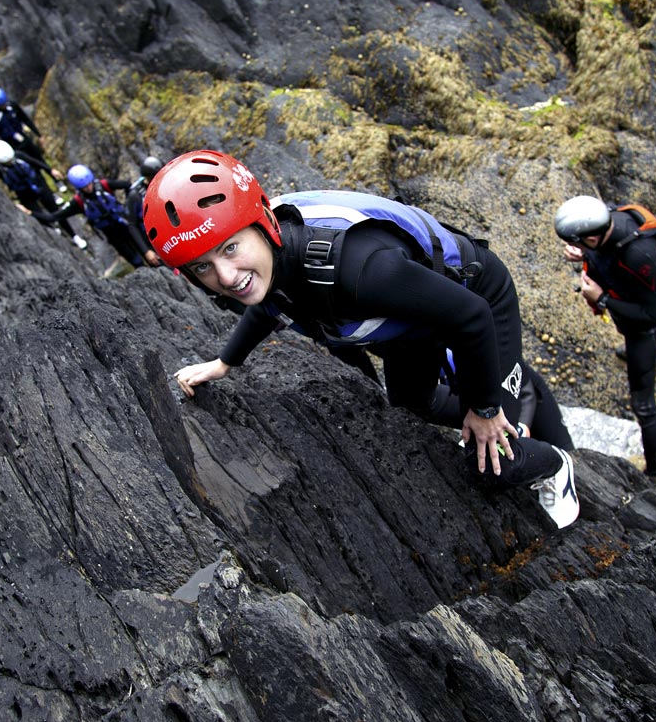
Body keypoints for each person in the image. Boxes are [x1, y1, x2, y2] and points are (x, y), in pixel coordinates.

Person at [143, 150, 580, 529]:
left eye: (230, 249)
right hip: (413, 319)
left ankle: (556, 463)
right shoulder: (272, 258)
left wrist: (484, 410)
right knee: (411, 402)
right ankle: (493, 409)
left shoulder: (358, 271)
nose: (225, 277)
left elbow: (472, 315)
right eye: (202, 267)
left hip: (474, 300)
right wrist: (225, 364)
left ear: (262, 225)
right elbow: (270, 305)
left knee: (492, 465)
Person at [554, 195, 656, 483]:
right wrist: (582, 255)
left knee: (644, 407)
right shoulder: (604, 222)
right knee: (636, 326)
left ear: (593, 237)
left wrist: (602, 298)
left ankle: (655, 473)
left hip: (642, 324)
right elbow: (603, 254)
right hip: (636, 295)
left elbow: (654, 315)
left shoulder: (639, 255)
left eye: (581, 242)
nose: (581, 247)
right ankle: (655, 349)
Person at [38, 164, 159, 274]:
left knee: (149, 252)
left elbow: (127, 185)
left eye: (89, 184)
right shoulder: (78, 203)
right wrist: (31, 213)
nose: (89, 188)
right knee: (136, 262)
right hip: (114, 236)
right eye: (84, 187)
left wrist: (129, 208)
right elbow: (55, 216)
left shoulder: (104, 185)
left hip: (126, 225)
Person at [0, 141, 87, 249]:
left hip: (38, 185)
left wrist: (51, 170)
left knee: (55, 210)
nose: (11, 161)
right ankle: (53, 231)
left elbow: (35, 162)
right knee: (37, 215)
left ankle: (74, 236)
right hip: (24, 195)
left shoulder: (19, 155)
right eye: (8, 161)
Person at [0, 87, 55, 172]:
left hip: (23, 138)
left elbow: (25, 119)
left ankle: (55, 179)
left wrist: (39, 135)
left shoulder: (12, 106)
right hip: (13, 146)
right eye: (1, 105)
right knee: (30, 167)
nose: (4, 105)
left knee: (40, 159)